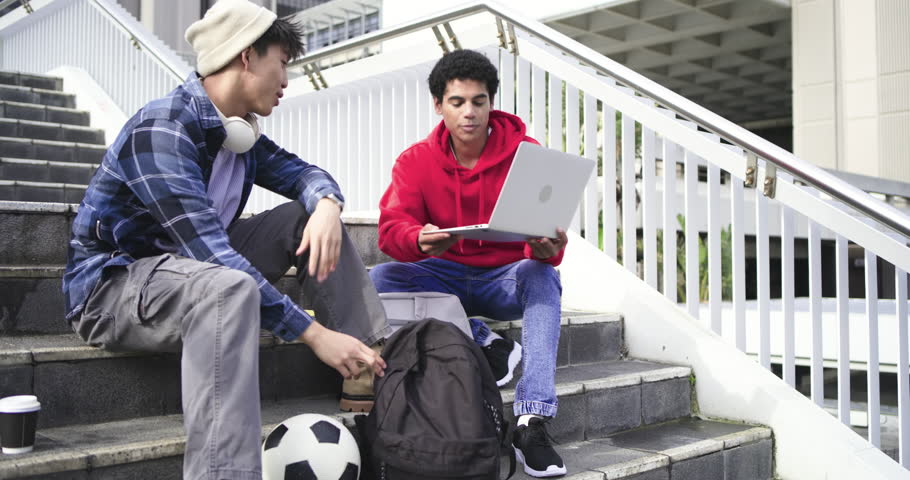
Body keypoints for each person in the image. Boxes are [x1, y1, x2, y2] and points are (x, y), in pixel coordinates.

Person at [61, 1, 390, 478]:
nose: (286, 80)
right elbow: (213, 256)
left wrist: (326, 204)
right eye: (281, 62)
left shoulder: (239, 136)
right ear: (245, 57)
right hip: (114, 288)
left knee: (312, 217)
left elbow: (306, 174)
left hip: (191, 276)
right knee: (227, 286)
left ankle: (363, 365)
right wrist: (313, 334)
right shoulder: (162, 129)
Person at [369, 49, 568, 478]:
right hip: (444, 274)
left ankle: (532, 421)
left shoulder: (526, 154)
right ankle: (485, 339)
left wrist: (549, 249)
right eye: (457, 102)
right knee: (377, 277)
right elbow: (390, 233)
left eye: (478, 101)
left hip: (504, 277)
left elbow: (546, 246)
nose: (469, 112)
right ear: (439, 106)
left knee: (542, 275)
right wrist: (417, 239)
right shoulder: (415, 161)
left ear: (491, 103)